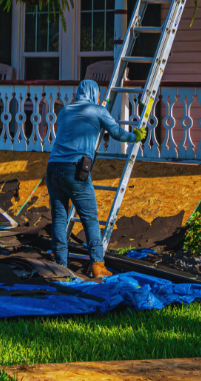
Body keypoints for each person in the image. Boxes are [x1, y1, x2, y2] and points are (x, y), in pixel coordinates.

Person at [45, 79, 146, 278]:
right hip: (74, 170)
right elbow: (116, 133)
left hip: (53, 167)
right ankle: (98, 266)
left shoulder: (65, 111)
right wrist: (136, 136)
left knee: (59, 218)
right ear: (93, 93)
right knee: (90, 219)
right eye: (98, 94)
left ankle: (60, 266)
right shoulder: (98, 110)